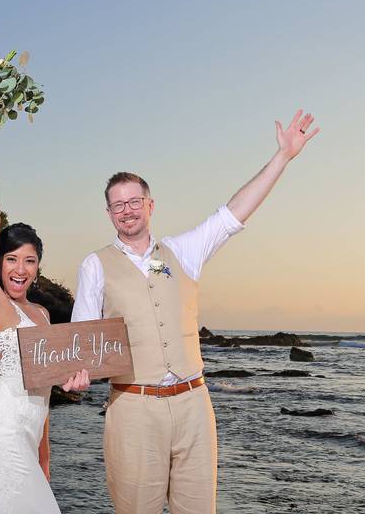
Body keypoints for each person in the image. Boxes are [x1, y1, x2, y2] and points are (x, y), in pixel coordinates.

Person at [71, 110, 320, 513]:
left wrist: (282, 158)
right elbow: (80, 337)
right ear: (108, 214)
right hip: (133, 407)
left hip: (193, 405)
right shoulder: (95, 265)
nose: (127, 210)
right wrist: (77, 373)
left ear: (151, 205)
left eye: (135, 201)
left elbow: (233, 214)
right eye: (118, 205)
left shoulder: (183, 251)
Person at [0, 114, 90, 513]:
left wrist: (45, 457)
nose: (20, 269)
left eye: (29, 261)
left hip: (26, 439)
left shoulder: (43, 315)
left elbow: (44, 393)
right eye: (11, 259)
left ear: (38, 267)